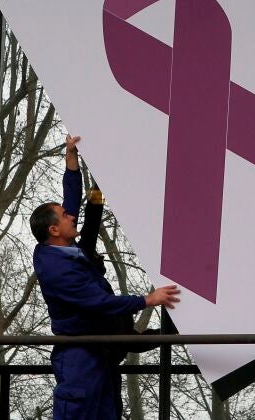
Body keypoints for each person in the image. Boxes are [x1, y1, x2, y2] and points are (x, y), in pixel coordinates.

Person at [31, 135, 180, 420]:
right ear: (53, 230)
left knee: (108, 411)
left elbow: (77, 205)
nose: (70, 216)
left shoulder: (68, 247)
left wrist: (72, 160)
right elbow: (101, 303)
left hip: (101, 350)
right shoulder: (60, 269)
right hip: (81, 354)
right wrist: (148, 300)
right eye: (64, 216)